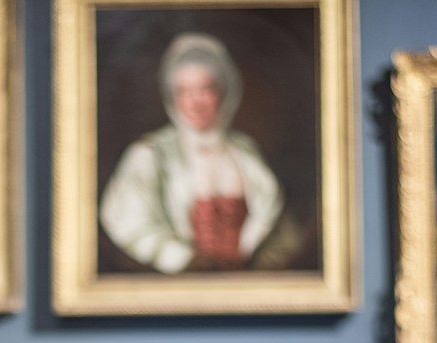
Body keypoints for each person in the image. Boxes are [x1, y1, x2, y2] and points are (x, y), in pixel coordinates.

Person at [98, 33, 302, 274]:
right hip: (178, 290)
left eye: (205, 90)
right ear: (172, 99)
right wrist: (180, 258)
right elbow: (126, 221)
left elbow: (280, 227)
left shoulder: (245, 152)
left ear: (224, 93)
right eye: (184, 92)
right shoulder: (149, 154)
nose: (195, 103)